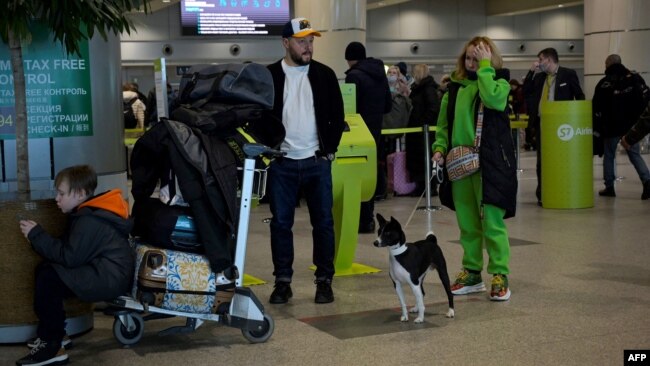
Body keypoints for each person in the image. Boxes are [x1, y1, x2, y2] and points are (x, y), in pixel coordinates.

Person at [16, 165, 134, 366]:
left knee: (49, 278)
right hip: (106, 272)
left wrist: (37, 235)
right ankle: (55, 335)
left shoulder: (89, 220)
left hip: (108, 277)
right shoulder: (88, 213)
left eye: (62, 193)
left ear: (80, 194)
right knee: (47, 272)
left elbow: (69, 257)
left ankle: (52, 347)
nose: (57, 199)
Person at [265, 17, 346, 304]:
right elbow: (259, 116)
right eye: (302, 41)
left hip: (316, 161)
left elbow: (337, 115)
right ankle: (282, 281)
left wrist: (329, 150)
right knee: (280, 224)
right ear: (286, 43)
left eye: (311, 41)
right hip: (282, 163)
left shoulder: (324, 74)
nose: (308, 46)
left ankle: (324, 280)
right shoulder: (270, 76)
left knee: (324, 223)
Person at [432, 36, 517, 301]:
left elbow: (494, 100)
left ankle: (500, 273)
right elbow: (444, 125)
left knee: (492, 222)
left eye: (477, 57)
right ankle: (471, 271)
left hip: (491, 165)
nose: (471, 63)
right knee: (467, 223)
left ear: (490, 58)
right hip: (460, 165)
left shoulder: (498, 82)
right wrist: (439, 148)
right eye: (468, 58)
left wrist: (485, 68)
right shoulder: (454, 90)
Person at [523, 47, 584, 206]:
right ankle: (542, 193)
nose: (539, 62)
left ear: (549, 60)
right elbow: (526, 90)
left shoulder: (568, 74)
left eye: (541, 59)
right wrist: (531, 71)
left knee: (561, 159)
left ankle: (563, 189)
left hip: (562, 126)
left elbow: (579, 96)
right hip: (542, 125)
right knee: (541, 161)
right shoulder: (539, 77)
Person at [344, 41, 392, 233]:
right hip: (375, 134)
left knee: (354, 177)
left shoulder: (354, 77)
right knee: (369, 176)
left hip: (356, 134)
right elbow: (388, 106)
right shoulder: (380, 75)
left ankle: (359, 220)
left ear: (348, 59)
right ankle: (369, 219)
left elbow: (349, 109)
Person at [592, 54, 650, 199]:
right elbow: (645, 99)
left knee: (609, 156)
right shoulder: (634, 79)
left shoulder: (604, 83)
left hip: (611, 128)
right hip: (631, 128)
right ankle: (647, 182)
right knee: (635, 155)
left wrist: (598, 127)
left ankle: (609, 187)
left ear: (608, 65)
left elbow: (596, 107)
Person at [405, 64, 440, 196]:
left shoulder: (427, 89)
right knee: (419, 159)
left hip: (424, 131)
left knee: (425, 158)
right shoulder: (419, 89)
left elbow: (433, 108)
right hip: (418, 131)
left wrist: (423, 122)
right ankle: (421, 186)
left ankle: (429, 187)